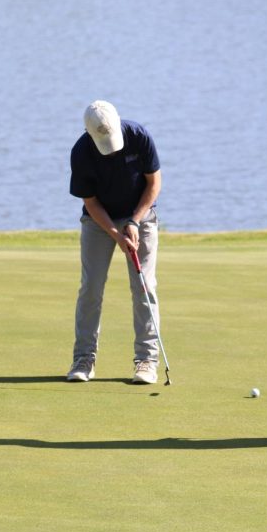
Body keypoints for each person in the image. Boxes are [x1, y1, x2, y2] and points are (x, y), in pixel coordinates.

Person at [67, 100, 163, 384]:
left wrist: (134, 222)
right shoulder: (82, 152)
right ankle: (84, 359)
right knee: (91, 288)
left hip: (141, 216)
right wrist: (115, 233)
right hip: (99, 223)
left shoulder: (139, 136)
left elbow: (154, 183)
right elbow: (91, 202)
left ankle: (147, 361)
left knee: (144, 285)